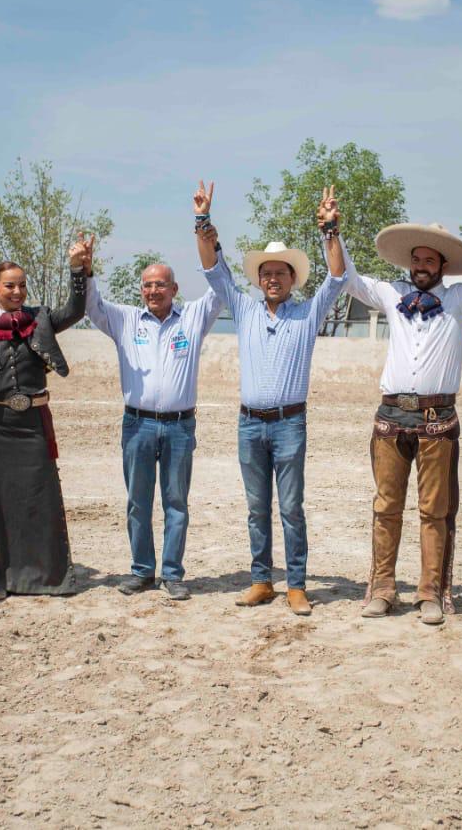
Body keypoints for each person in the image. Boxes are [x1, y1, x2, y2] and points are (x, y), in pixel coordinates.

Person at [343, 200, 462, 625]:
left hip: (438, 418)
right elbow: (348, 278)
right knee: (386, 507)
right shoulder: (391, 293)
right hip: (391, 415)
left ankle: (430, 591)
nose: (420, 265)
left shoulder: (459, 297)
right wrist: (332, 233)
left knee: (436, 510)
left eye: (428, 259)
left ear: (441, 264)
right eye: (415, 259)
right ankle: (382, 588)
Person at [195, 181, 347, 616]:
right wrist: (203, 222)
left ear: (293, 278)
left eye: (281, 272)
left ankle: (296, 584)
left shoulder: (308, 312)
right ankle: (262, 580)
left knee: (291, 507)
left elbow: (337, 278)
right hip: (249, 423)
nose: (273, 279)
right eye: (266, 273)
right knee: (257, 508)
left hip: (289, 424)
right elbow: (214, 271)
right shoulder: (243, 308)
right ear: (259, 280)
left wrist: (331, 230)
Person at [85, 211, 223, 602]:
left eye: (160, 284)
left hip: (180, 427)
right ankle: (142, 570)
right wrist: (87, 269)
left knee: (176, 502)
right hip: (138, 426)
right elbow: (91, 305)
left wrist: (206, 232)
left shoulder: (194, 317)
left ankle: (173, 573)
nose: (153, 291)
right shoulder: (125, 320)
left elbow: (221, 285)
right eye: (147, 285)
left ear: (174, 288)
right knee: (137, 502)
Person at [0, 245, 88, 601]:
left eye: (22, 286)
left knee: (38, 499)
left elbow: (76, 309)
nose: (17, 292)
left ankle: (43, 576)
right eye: (9, 286)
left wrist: (76, 269)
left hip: (32, 425)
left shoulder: (41, 317)